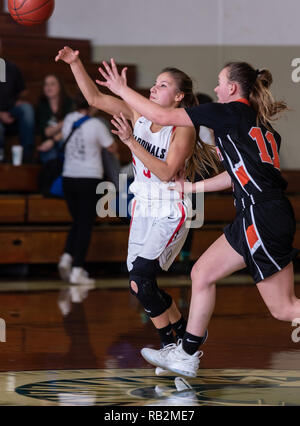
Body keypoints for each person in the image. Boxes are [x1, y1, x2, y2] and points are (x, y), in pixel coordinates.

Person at [97, 59, 300, 378]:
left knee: (285, 308)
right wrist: (191, 187)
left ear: (232, 88)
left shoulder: (228, 112)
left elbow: (162, 115)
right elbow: (236, 177)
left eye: (220, 83)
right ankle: (187, 354)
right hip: (258, 214)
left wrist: (122, 90)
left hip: (261, 216)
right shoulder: (259, 126)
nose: (216, 89)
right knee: (201, 273)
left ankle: (185, 350)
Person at [55, 47, 219, 367]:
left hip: (170, 207)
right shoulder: (139, 115)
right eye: (154, 83)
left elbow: (165, 171)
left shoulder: (183, 127)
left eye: (162, 84)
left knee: (143, 278)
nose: (154, 88)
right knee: (138, 285)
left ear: (178, 97)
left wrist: (130, 142)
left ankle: (173, 348)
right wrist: (75, 63)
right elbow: (96, 100)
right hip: (143, 209)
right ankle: (185, 335)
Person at [58, 91, 118, 285]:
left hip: (69, 177)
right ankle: (77, 270)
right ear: (93, 104)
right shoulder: (97, 125)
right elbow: (112, 148)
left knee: (78, 220)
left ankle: (67, 256)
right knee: (85, 224)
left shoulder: (68, 119)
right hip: (89, 178)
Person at [0, 41, 35, 163]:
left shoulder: (11, 68)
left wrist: (18, 101)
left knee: (27, 109)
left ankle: (27, 155)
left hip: (11, 112)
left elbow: (23, 91)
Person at [36, 74, 74, 163]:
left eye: (52, 84)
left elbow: (72, 127)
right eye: (46, 84)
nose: (49, 87)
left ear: (60, 86)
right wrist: (65, 122)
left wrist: (54, 139)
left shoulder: (69, 103)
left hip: (66, 141)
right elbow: (47, 132)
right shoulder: (42, 105)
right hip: (47, 143)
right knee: (50, 158)